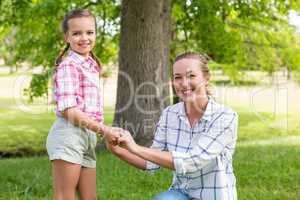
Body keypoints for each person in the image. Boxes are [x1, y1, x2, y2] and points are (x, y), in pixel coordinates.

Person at [106, 52, 238, 200]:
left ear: (206, 78)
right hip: (180, 194)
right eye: (178, 77)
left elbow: (192, 161)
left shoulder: (225, 117)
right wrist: (118, 150)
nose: (184, 83)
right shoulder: (170, 114)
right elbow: (151, 163)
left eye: (191, 76)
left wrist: (135, 147)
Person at [46, 9, 119, 200]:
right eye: (76, 33)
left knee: (90, 197)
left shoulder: (91, 64)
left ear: (96, 33)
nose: (84, 38)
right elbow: (70, 110)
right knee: (65, 196)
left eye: (89, 32)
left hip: (87, 135)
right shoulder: (69, 65)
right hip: (68, 135)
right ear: (66, 37)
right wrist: (104, 129)